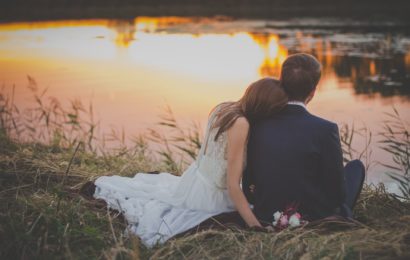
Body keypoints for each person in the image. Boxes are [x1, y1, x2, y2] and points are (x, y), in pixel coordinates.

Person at [88, 78, 288, 247]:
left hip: (194, 181)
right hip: (212, 196)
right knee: (254, 210)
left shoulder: (224, 107)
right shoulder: (241, 124)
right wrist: (255, 227)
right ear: (265, 108)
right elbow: (232, 185)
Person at [243, 53, 365, 223]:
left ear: (281, 82)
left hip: (267, 214)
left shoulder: (256, 124)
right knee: (356, 168)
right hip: (312, 216)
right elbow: (337, 194)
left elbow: (248, 187)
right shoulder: (326, 129)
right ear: (313, 91)